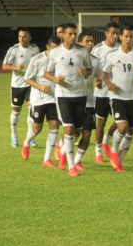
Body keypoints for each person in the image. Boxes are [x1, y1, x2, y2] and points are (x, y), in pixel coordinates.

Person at [101, 24, 133, 172]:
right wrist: (109, 83)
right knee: (122, 127)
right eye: (126, 36)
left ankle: (119, 162)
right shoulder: (112, 55)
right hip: (117, 96)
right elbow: (104, 72)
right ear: (120, 37)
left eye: (131, 36)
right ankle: (115, 152)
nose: (128, 39)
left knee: (130, 130)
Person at [44, 23, 92, 177]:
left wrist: (85, 71)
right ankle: (72, 167)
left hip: (80, 95)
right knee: (69, 129)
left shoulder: (82, 51)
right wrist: (56, 79)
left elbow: (90, 69)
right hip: (63, 95)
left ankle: (62, 150)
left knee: (77, 131)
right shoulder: (55, 52)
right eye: (70, 34)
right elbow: (46, 73)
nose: (73, 37)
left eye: (74, 34)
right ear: (62, 35)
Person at [21, 35, 61, 166]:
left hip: (54, 98)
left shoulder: (61, 59)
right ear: (47, 47)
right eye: (53, 49)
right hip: (39, 98)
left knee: (54, 126)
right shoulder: (37, 59)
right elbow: (27, 78)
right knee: (37, 128)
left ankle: (46, 159)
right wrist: (40, 87)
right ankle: (26, 142)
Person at [2, 28, 40, 147]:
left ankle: (30, 137)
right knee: (16, 111)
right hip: (17, 85)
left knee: (31, 109)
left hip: (30, 84)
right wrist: (16, 68)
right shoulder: (14, 50)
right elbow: (4, 66)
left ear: (29, 38)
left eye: (24, 36)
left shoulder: (35, 49)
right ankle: (14, 136)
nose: (21, 39)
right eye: (20, 36)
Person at [91, 22, 120, 162]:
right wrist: (97, 79)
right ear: (106, 33)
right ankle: (98, 152)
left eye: (117, 33)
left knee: (120, 122)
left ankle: (106, 139)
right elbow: (92, 68)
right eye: (112, 33)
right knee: (101, 122)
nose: (115, 36)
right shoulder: (97, 50)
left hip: (117, 91)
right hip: (102, 92)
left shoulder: (121, 49)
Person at [73, 33, 102, 170]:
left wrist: (99, 83)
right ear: (80, 43)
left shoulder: (95, 61)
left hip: (89, 102)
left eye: (92, 41)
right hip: (74, 100)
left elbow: (99, 77)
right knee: (74, 132)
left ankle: (77, 161)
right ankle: (62, 147)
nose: (90, 44)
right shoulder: (73, 58)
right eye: (87, 41)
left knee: (87, 133)